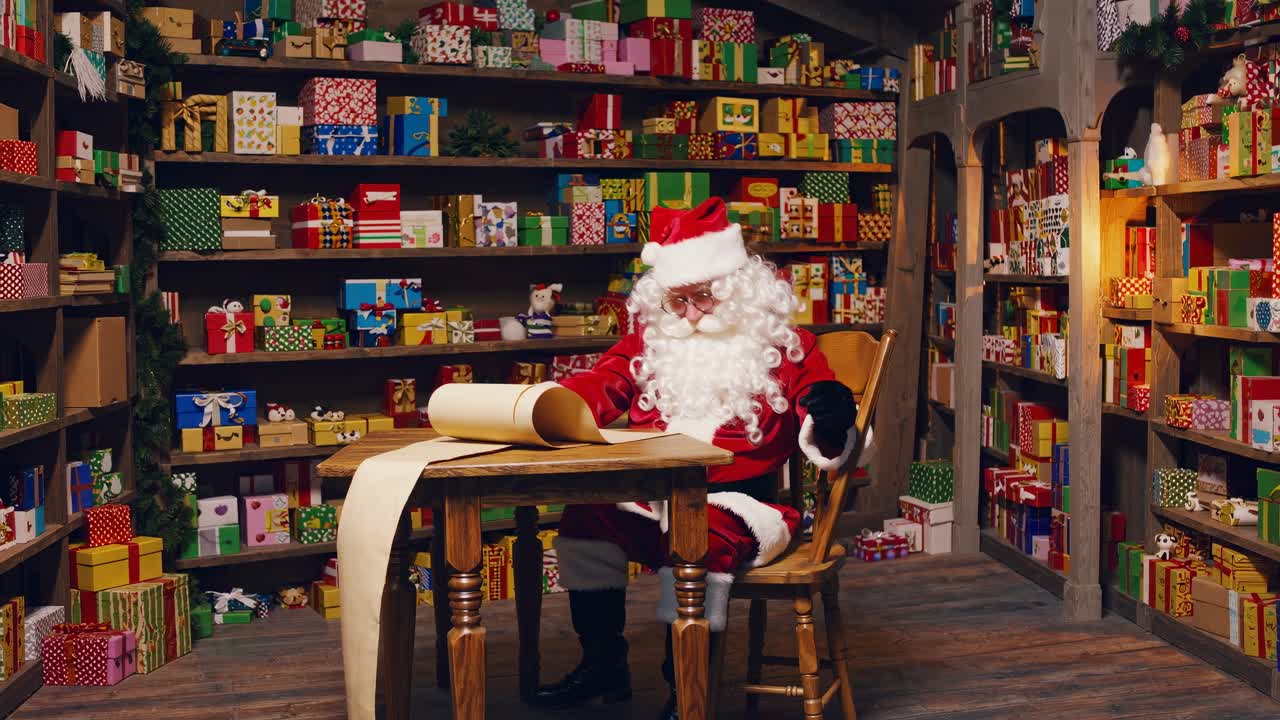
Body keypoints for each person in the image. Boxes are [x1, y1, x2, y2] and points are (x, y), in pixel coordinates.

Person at [531, 197, 868, 719]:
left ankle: (686, 689)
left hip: (740, 508)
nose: (688, 315)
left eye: (703, 298)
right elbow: (604, 383)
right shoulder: (652, 340)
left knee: (697, 539)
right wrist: (550, 405)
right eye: (676, 301)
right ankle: (603, 664)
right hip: (652, 496)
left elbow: (820, 406)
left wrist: (830, 413)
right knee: (585, 520)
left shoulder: (785, 346)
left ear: (738, 292)